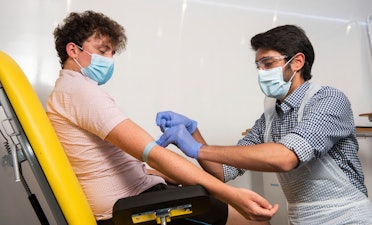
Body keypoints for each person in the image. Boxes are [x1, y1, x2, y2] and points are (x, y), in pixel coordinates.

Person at [46, 10, 278, 225]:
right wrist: (233, 194)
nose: (109, 59)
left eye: (112, 53)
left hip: (133, 195)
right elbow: (152, 154)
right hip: (133, 206)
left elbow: (101, 161)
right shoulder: (81, 92)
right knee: (256, 221)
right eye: (102, 50)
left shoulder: (67, 91)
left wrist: (152, 173)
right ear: (73, 50)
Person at [156, 24, 372, 225]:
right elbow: (223, 171)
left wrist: (198, 149)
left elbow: (286, 157)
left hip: (348, 218)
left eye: (268, 63)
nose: (261, 72)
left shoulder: (329, 100)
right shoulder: (270, 118)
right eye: (258, 66)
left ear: (297, 62)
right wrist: (193, 132)